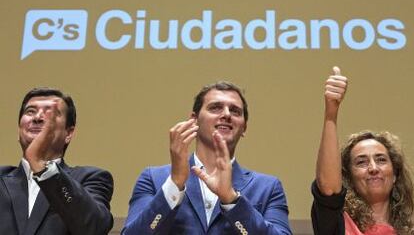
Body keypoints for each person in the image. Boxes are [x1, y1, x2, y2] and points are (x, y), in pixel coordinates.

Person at [123, 81, 292, 234]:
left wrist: (232, 200)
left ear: (244, 127)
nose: (226, 114)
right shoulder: (153, 178)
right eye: (215, 107)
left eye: (235, 111)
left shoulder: (268, 187)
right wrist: (175, 184)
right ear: (194, 120)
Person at [312, 67, 414, 234]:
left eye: (381, 159)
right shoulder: (337, 224)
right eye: (361, 162)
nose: (373, 168)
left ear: (395, 174)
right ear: (349, 178)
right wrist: (331, 115)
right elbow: (328, 190)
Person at [0, 87, 114, 235]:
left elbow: (94, 228)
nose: (37, 117)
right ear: (19, 130)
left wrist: (41, 166)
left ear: (69, 133)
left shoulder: (91, 179)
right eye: (30, 112)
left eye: (50, 113)